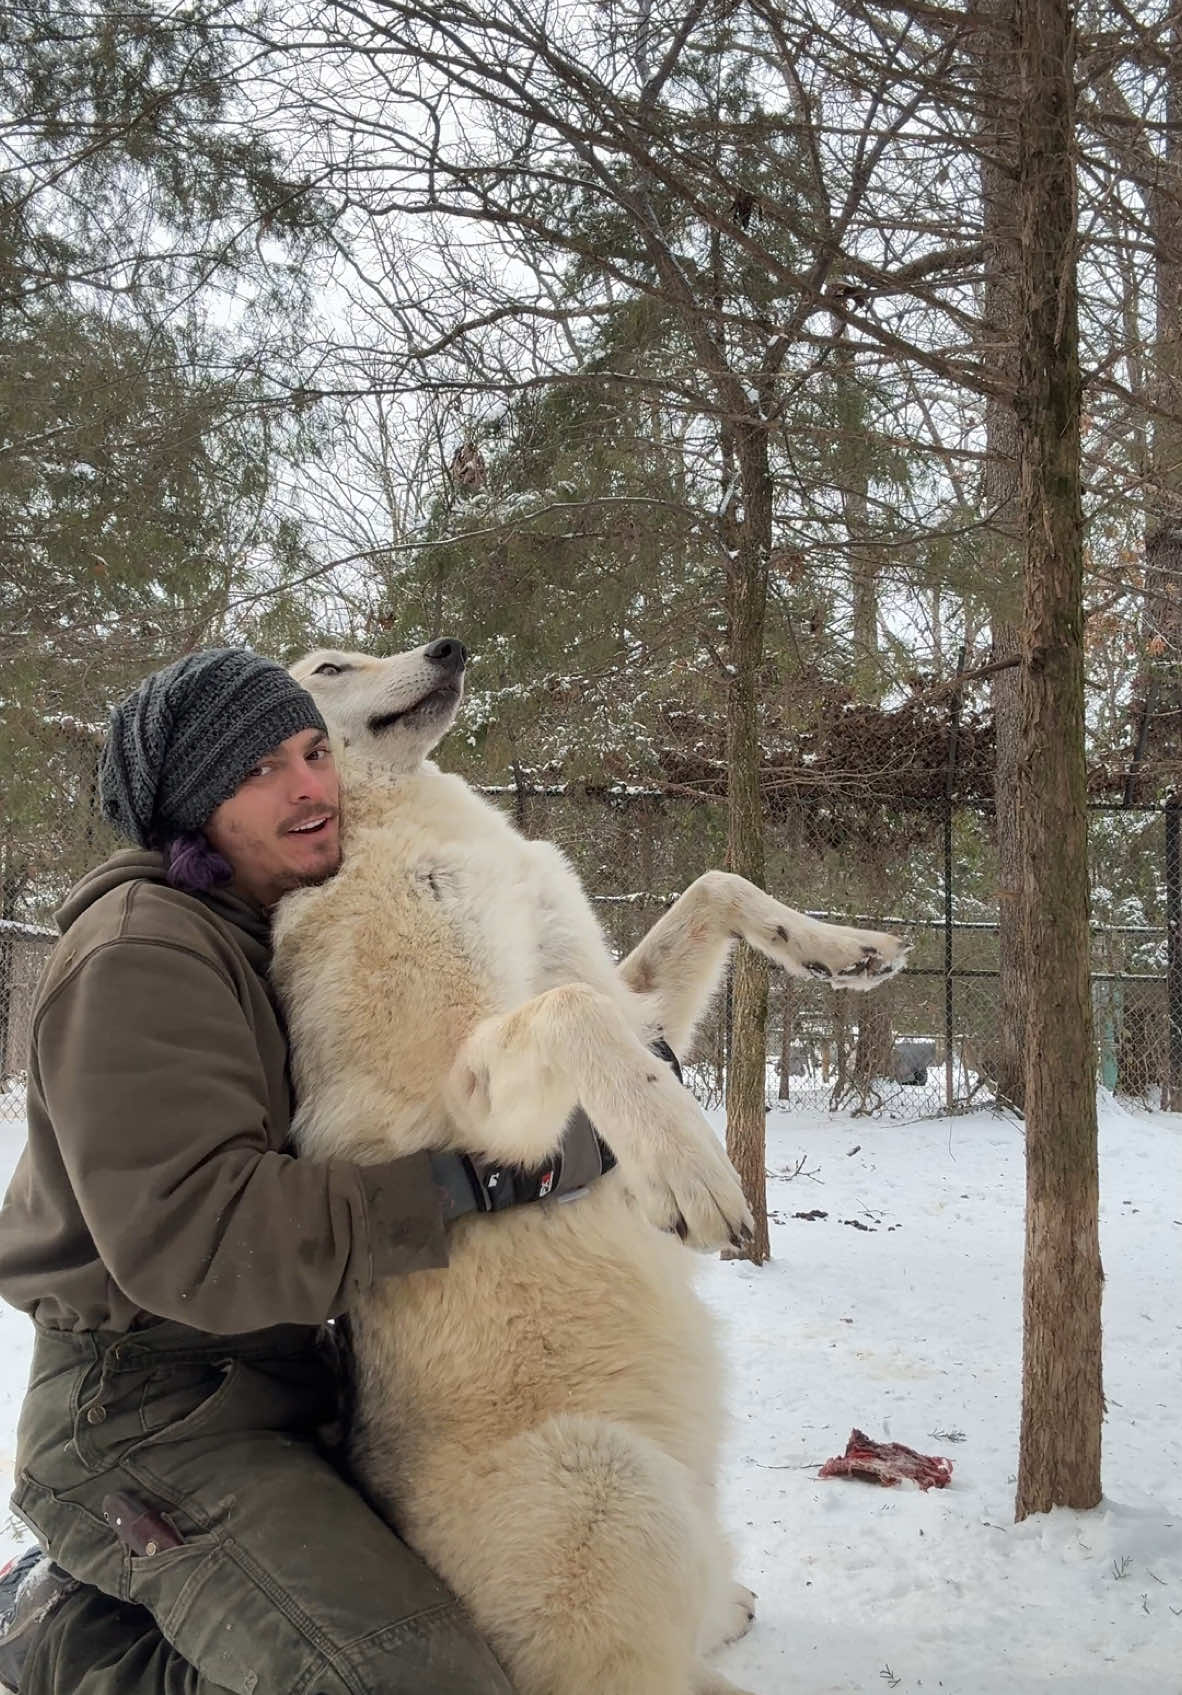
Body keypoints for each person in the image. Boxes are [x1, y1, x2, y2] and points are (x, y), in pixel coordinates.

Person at [0, 648, 529, 1694]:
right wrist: (475, 1184)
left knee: (518, 1602)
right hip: (148, 1415)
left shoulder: (267, 931)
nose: (309, 787)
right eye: (256, 771)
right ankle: (67, 1636)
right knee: (405, 1677)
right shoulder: (141, 955)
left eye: (311, 751)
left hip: (288, 1379)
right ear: (193, 806)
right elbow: (203, 1240)